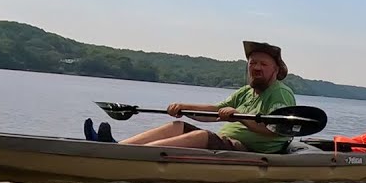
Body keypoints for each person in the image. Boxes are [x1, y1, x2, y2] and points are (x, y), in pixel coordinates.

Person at [85, 41, 297, 154]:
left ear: (276, 69)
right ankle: (117, 147)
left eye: (263, 64)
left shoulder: (280, 93)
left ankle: (130, 156)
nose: (256, 68)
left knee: (202, 136)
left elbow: (276, 130)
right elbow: (214, 112)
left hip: (249, 150)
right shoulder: (245, 91)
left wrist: (238, 117)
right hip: (227, 142)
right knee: (177, 125)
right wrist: (183, 107)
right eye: (252, 63)